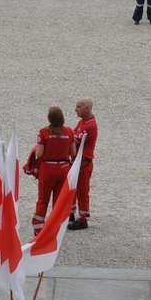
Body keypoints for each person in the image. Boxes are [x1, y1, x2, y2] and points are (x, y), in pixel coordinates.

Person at [26, 107, 75, 236]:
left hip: (48, 168)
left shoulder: (43, 132)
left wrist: (35, 150)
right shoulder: (69, 131)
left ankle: (38, 227)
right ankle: (56, 226)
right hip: (64, 168)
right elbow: (73, 152)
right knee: (59, 200)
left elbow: (39, 153)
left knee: (43, 199)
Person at [69, 97, 98, 230]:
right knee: (73, 189)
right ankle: (71, 214)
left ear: (87, 108)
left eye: (79, 107)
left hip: (83, 164)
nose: (76, 109)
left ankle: (83, 219)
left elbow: (75, 141)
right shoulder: (83, 122)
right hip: (78, 162)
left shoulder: (89, 125)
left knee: (82, 191)